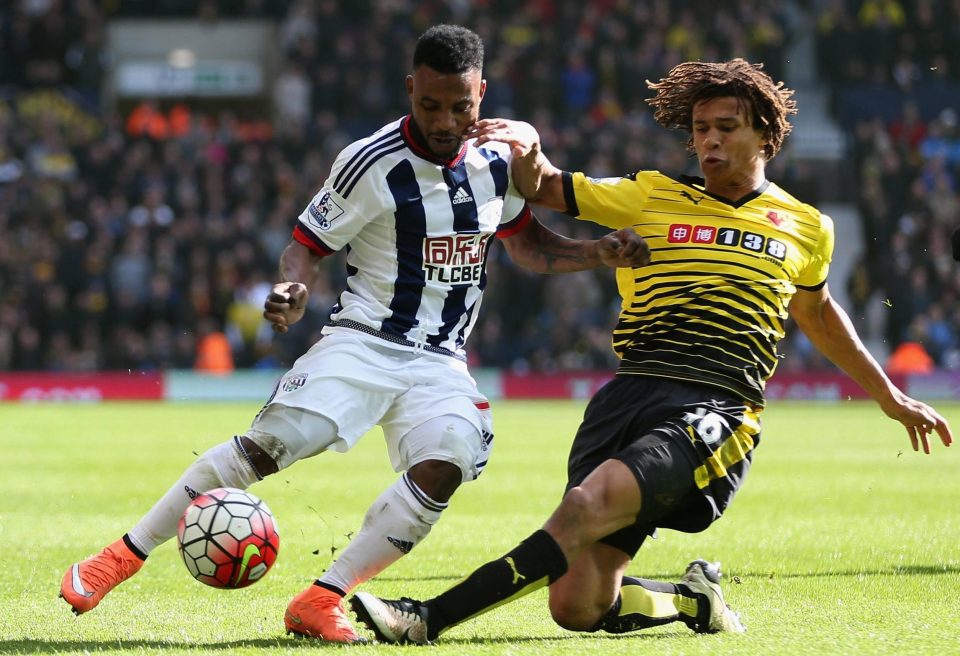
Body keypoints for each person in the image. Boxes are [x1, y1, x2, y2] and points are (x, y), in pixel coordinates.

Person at [58, 25, 647, 643]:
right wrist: (294, 288)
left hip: (441, 361)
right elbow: (305, 246)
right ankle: (120, 556)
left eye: (461, 106)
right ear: (410, 89)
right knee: (269, 447)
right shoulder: (369, 162)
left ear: (482, 93)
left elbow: (526, 245)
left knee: (446, 462)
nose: (446, 120)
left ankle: (323, 596)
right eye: (431, 104)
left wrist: (597, 253)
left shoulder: (496, 160)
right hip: (363, 340)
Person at [350, 58, 954, 644]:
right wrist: (529, 146)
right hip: (629, 394)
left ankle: (424, 617)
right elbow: (544, 188)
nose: (709, 142)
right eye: (700, 130)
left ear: (764, 136)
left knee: (588, 504)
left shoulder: (805, 224)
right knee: (578, 605)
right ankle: (694, 599)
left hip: (717, 403)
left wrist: (891, 397)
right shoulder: (650, 194)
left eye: (725, 128)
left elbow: (818, 314)